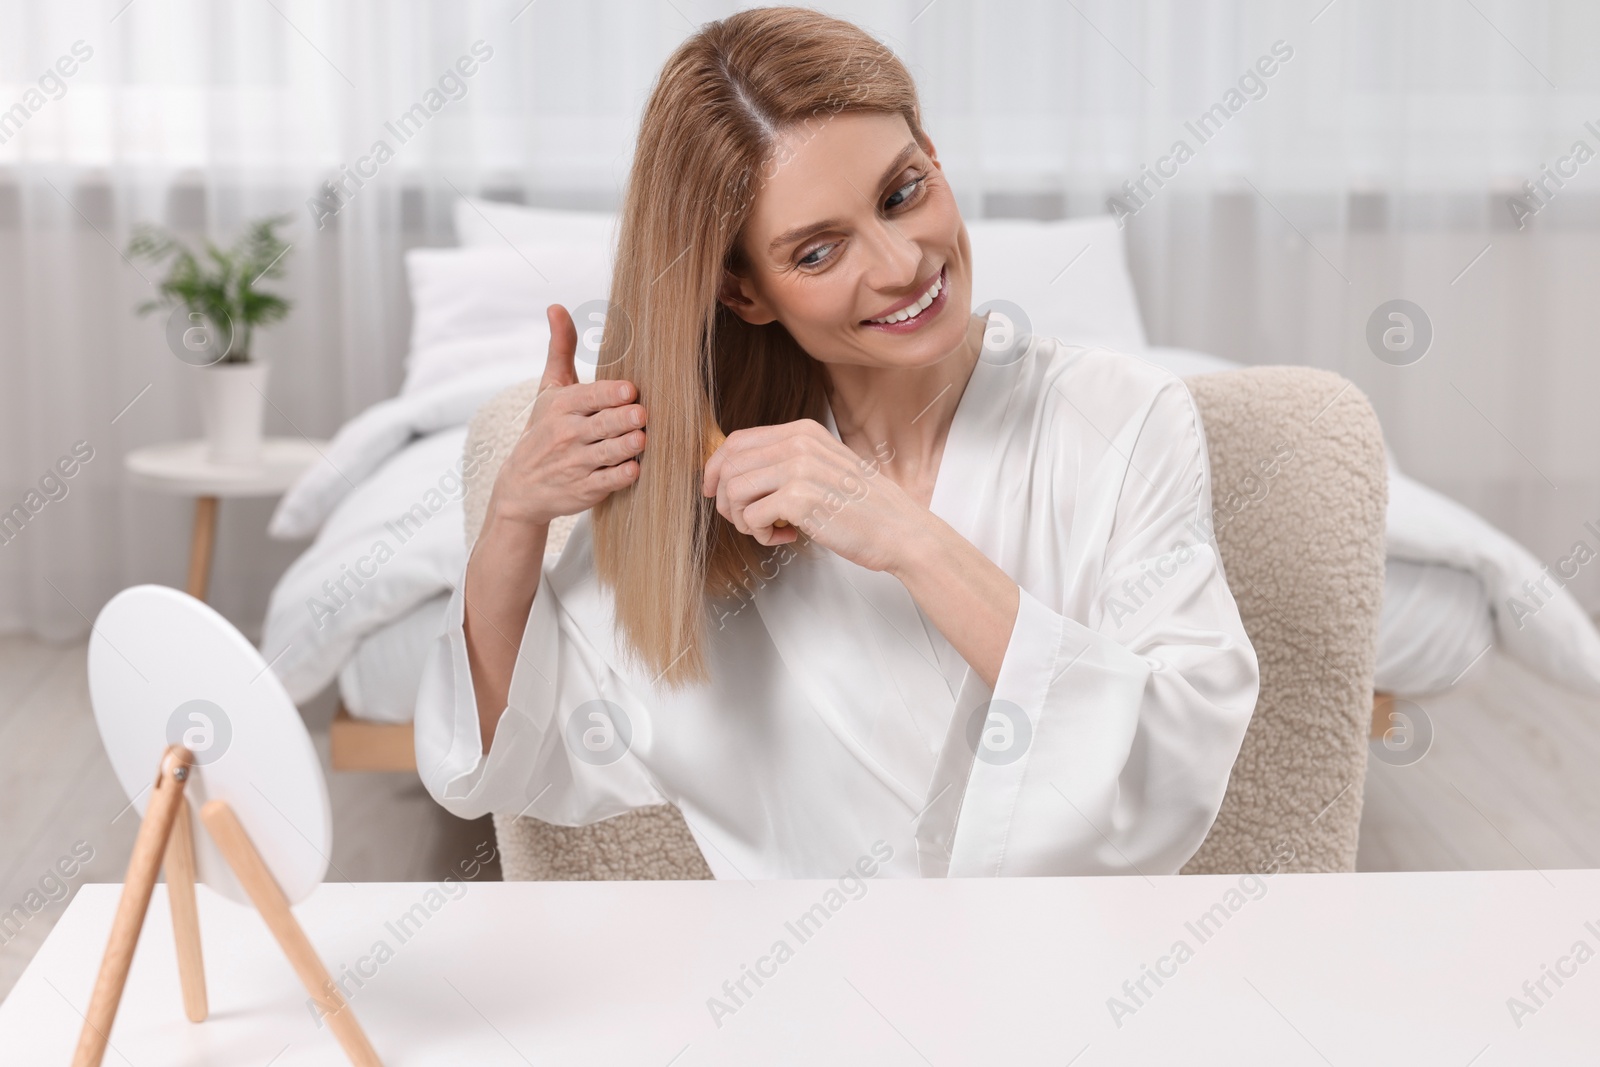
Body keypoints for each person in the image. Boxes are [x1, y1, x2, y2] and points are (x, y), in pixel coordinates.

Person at [414, 6, 1259, 878]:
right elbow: (508, 749)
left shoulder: (1123, 416)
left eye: (903, 193)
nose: (900, 264)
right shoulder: (715, 491)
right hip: (805, 997)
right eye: (819, 252)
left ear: (932, 154)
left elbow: (1176, 756)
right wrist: (515, 515)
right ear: (744, 293)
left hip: (1076, 980)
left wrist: (903, 535)